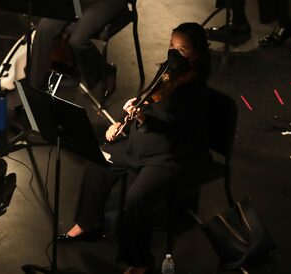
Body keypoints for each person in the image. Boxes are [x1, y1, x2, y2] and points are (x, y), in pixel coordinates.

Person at [59, 23, 213, 274]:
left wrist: (144, 118)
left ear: (197, 54)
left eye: (181, 50)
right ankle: (87, 223)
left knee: (136, 198)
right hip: (142, 140)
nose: (173, 53)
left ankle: (140, 261)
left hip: (169, 153)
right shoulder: (167, 70)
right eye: (171, 46)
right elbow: (148, 98)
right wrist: (123, 121)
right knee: (99, 159)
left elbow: (175, 123)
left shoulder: (197, 89)